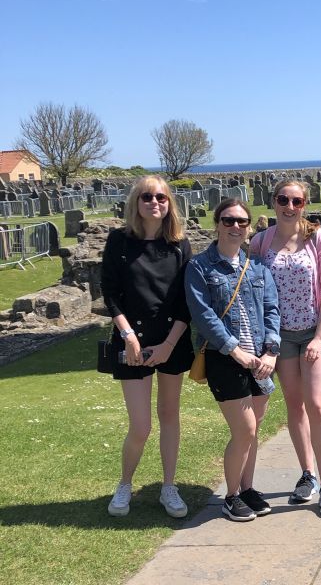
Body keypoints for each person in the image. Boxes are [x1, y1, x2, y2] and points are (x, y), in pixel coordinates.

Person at [101, 175, 194, 518]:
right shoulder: (119, 241)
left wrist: (169, 344)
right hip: (132, 342)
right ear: (136, 202)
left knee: (169, 416)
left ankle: (169, 487)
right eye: (147, 197)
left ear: (169, 203)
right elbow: (110, 292)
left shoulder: (179, 245)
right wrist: (128, 335)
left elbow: (186, 301)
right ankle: (125, 484)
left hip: (171, 341)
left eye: (161, 197)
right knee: (141, 426)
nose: (154, 202)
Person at [185, 198, 281, 522]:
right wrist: (233, 349)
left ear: (249, 227)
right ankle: (231, 496)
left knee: (254, 429)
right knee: (245, 429)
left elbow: (271, 309)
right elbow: (203, 315)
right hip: (224, 358)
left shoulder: (257, 267)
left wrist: (271, 350)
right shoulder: (200, 267)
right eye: (228, 220)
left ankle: (247, 488)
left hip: (260, 359)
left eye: (242, 221)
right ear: (217, 224)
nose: (235, 226)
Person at [250, 179, 321, 515]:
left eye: (297, 201)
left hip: (315, 330)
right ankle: (307, 474)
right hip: (281, 337)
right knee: (294, 405)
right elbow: (253, 287)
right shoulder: (260, 242)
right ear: (273, 202)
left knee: (316, 404)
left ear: (305, 204)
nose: (289, 207)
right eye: (283, 200)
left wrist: (319, 336)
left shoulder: (317, 238)